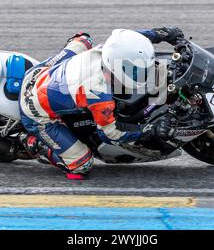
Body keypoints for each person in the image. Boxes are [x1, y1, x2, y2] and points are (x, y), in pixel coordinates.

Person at [19, 27, 184, 179]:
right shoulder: (98, 92)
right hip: (35, 109)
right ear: (114, 69)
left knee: (84, 40)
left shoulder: (111, 49)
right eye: (131, 69)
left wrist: (161, 34)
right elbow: (110, 134)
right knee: (81, 165)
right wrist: (146, 130)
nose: (139, 73)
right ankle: (34, 143)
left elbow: (132, 40)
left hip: (43, 71)